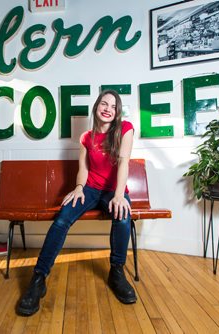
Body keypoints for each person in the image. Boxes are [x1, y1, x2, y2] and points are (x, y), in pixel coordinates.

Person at [16, 90, 136, 316]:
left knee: (122, 216)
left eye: (113, 105)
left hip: (113, 190)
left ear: (117, 111)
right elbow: (84, 169)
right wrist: (79, 188)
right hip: (90, 189)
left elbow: (123, 163)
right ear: (96, 107)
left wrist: (119, 195)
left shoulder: (125, 129)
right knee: (62, 219)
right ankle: (39, 278)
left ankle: (117, 271)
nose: (108, 108)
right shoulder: (86, 137)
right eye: (104, 103)